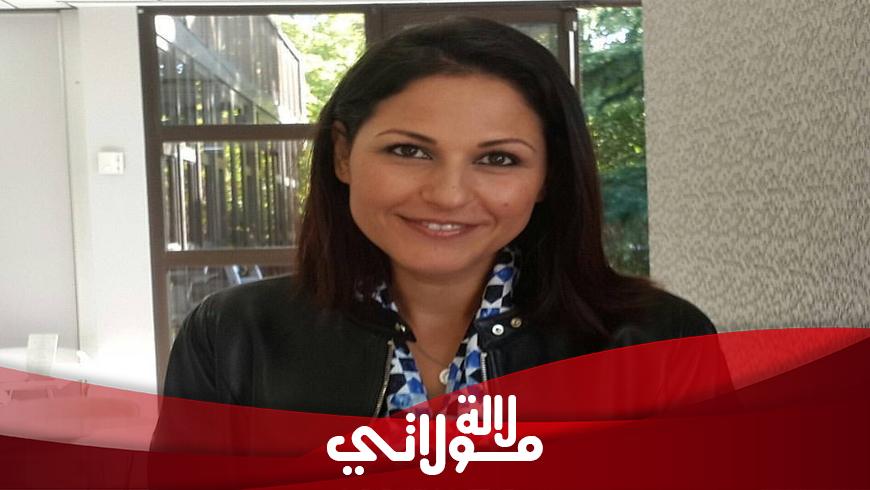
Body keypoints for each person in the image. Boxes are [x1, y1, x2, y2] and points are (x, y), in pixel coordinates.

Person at [160, 17, 721, 419]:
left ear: (548, 176)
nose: (449, 196)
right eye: (409, 150)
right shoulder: (232, 337)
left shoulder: (660, 343)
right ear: (343, 155)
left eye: (498, 159)